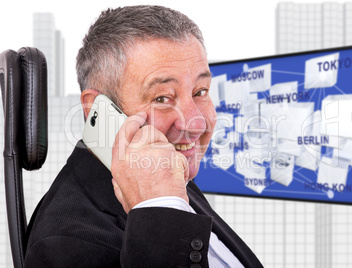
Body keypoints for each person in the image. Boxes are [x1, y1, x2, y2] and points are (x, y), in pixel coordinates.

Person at [25, 5, 263, 267]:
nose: (196, 123)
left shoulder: (161, 170)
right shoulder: (66, 244)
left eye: (200, 91)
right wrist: (160, 211)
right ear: (97, 110)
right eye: (162, 98)